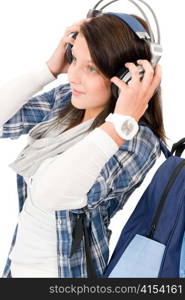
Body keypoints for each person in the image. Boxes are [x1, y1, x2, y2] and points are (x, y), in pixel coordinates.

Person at [0, 13, 167, 278]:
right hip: (17, 269)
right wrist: (47, 71)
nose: (73, 76)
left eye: (92, 68)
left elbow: (51, 193)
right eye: (74, 58)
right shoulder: (68, 99)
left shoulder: (136, 140)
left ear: (127, 76)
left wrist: (120, 123)